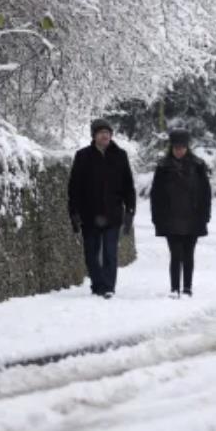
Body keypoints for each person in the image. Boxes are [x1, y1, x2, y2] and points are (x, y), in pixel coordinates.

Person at [67, 118, 136, 299]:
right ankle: (97, 284)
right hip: (89, 214)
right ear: (94, 136)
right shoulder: (83, 156)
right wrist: (73, 212)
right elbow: (74, 187)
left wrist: (130, 210)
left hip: (113, 214)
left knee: (110, 252)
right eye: (101, 132)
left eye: (107, 132)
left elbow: (128, 185)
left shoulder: (120, 155)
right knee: (91, 253)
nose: (105, 135)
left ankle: (108, 287)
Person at [150, 127, 212, 298]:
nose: (179, 151)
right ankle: (174, 288)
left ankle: (187, 288)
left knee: (188, 254)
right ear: (171, 147)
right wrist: (157, 218)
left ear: (187, 147)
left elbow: (206, 193)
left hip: (193, 217)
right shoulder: (163, 166)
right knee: (175, 254)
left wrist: (205, 215)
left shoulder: (198, 165)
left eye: (182, 147)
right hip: (170, 218)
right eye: (176, 147)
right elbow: (155, 195)